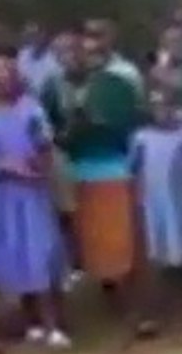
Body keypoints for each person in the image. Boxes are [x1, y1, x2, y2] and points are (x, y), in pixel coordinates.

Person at [0, 51, 69, 347]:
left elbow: (44, 144)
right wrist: (7, 166)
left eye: (8, 73)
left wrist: (40, 165)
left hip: (31, 193)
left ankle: (52, 324)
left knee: (39, 253)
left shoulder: (31, 108)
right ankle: (30, 321)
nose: (2, 80)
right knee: (13, 257)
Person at [45, 29, 146, 333]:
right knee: (82, 242)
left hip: (112, 169)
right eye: (61, 53)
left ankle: (132, 309)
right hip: (72, 172)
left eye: (76, 51)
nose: (70, 58)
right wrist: (72, 131)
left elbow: (132, 123)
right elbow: (49, 131)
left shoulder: (115, 85)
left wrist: (98, 124)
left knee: (122, 242)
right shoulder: (52, 89)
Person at [131, 86, 182, 328]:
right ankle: (152, 315)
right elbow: (134, 171)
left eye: (167, 106)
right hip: (153, 206)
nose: (162, 112)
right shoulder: (141, 138)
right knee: (155, 261)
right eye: (156, 107)